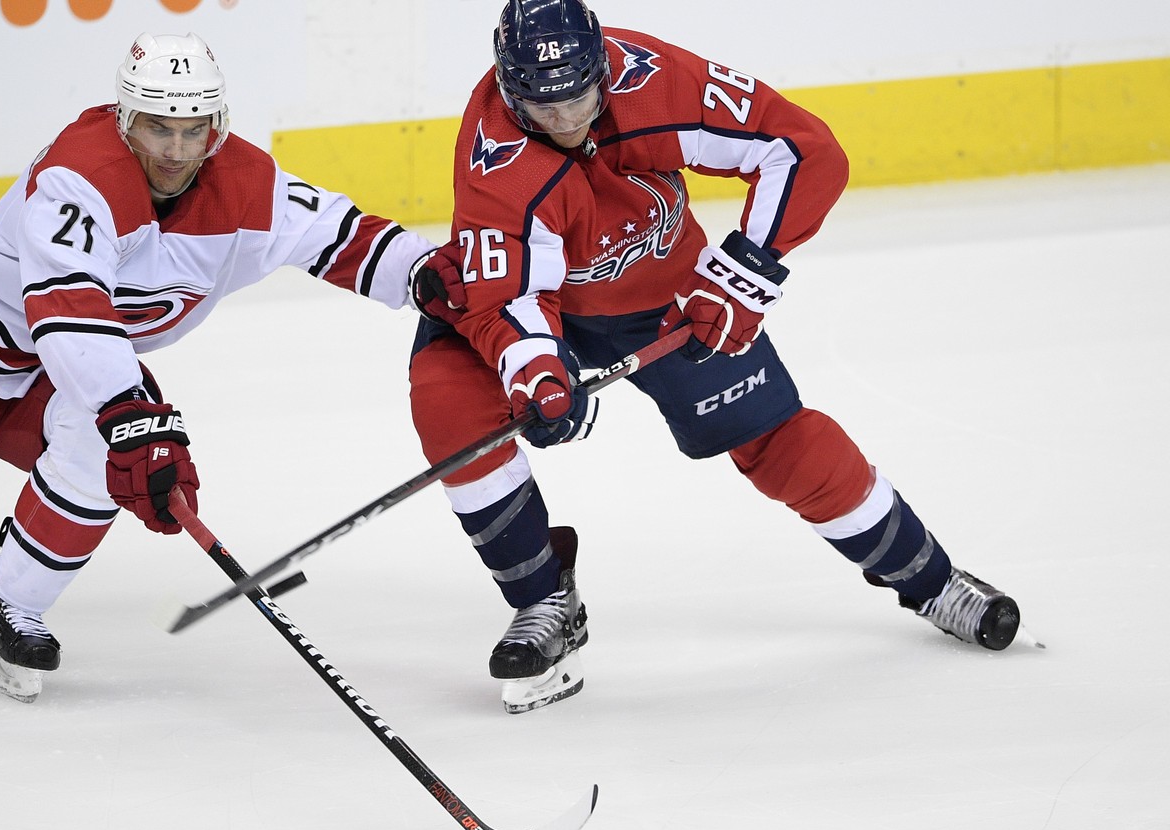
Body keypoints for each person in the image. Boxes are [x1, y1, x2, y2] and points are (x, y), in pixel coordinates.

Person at [0, 32, 438, 703]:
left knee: (113, 447)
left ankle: (14, 606)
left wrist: (429, 274)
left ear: (216, 125)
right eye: (159, 127)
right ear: (127, 119)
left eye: (194, 130)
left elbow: (335, 233)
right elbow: (69, 310)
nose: (177, 150)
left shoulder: (244, 181)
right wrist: (131, 412)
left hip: (57, 378)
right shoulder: (80, 173)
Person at [407, 0, 1026, 714]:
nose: (569, 118)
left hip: (663, 292)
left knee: (779, 440)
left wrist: (743, 274)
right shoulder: (494, 157)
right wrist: (538, 373)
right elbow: (508, 295)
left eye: (581, 94)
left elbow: (800, 148)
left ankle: (933, 580)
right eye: (545, 107)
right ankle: (543, 602)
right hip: (533, 302)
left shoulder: (654, 80)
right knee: (448, 394)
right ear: (510, 90)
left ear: (602, 66)